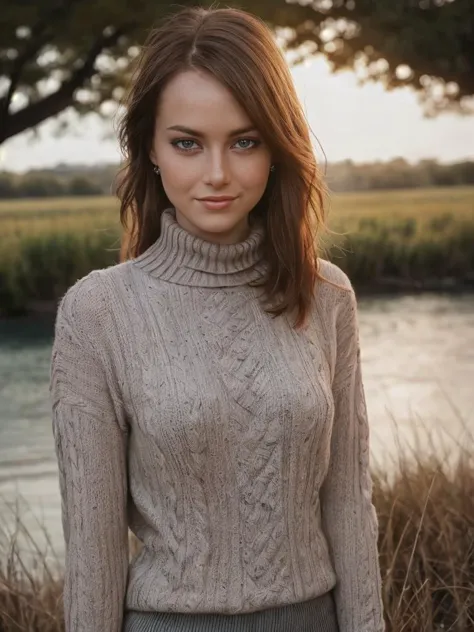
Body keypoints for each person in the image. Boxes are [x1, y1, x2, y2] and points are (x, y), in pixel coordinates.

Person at [49, 6, 384, 632]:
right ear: (148, 147)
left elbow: (348, 507)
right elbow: (92, 550)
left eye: (245, 141)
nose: (217, 174)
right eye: (186, 143)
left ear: (279, 149)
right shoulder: (97, 314)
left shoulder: (327, 295)